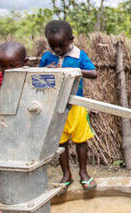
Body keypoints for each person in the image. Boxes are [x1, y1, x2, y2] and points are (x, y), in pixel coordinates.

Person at [40, 20, 98, 192]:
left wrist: (74, 71)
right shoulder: (47, 58)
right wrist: (46, 71)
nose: (57, 50)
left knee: (81, 141)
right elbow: (38, 80)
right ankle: (66, 174)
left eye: (61, 45)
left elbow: (93, 73)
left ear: (71, 39)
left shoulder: (79, 56)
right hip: (55, 107)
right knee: (61, 143)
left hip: (76, 106)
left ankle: (83, 173)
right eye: (53, 46)